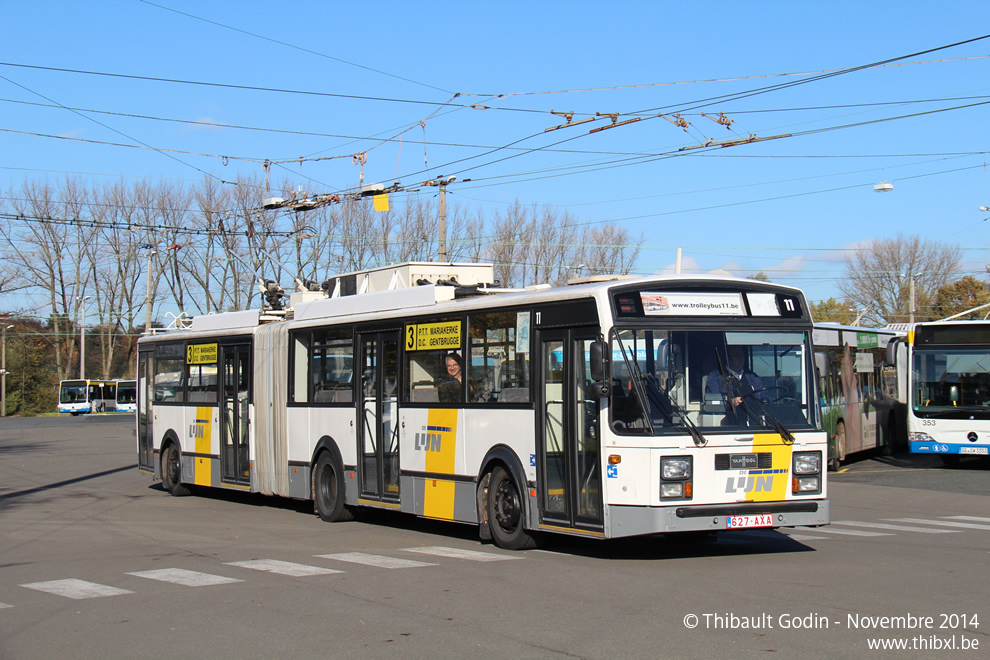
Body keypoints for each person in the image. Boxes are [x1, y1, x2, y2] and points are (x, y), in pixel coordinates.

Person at [706, 345, 767, 410]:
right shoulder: (716, 376)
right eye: (737, 356)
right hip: (729, 417)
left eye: (742, 355)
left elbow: (764, 396)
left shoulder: (752, 376)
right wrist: (731, 402)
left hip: (755, 418)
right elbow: (715, 400)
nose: (741, 359)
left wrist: (765, 401)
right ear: (728, 359)